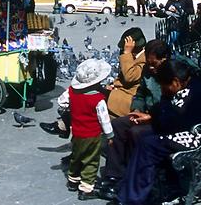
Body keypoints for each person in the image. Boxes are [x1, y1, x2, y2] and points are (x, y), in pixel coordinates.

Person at [117, 59, 201, 205]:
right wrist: (152, 115)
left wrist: (156, 114)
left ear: (176, 82)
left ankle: (134, 197)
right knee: (142, 137)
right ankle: (134, 191)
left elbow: (172, 120)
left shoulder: (195, 92)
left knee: (149, 144)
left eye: (164, 86)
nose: (163, 89)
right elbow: (169, 114)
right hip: (187, 131)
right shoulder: (187, 85)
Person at [99, 40, 170, 199]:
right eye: (149, 63)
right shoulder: (148, 71)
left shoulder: (175, 73)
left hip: (164, 119)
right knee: (117, 125)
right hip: (147, 113)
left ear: (165, 58)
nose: (151, 67)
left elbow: (174, 106)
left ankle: (133, 179)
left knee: (135, 132)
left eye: (154, 64)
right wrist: (136, 109)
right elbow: (140, 94)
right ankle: (114, 175)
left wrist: (151, 116)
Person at [58, 58, 113, 200]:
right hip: (92, 135)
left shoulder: (72, 91)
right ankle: (86, 189)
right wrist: (110, 135)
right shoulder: (98, 99)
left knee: (76, 156)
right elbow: (104, 119)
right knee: (91, 160)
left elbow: (61, 101)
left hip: (76, 132)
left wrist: (70, 107)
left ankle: (72, 180)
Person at [106, 28, 146, 117]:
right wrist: (113, 85)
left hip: (129, 99)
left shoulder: (145, 59)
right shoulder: (133, 56)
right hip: (119, 92)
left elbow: (130, 77)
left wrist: (127, 52)